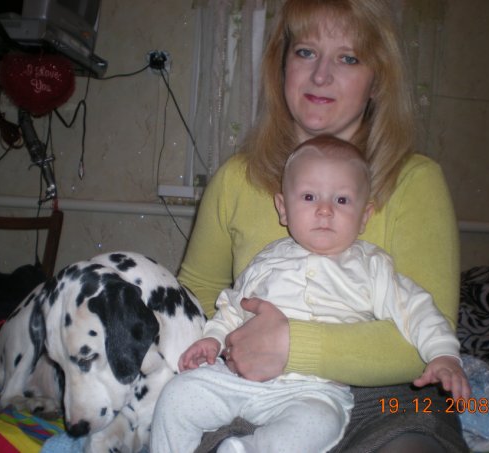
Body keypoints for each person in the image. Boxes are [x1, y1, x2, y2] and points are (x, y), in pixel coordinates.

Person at [157, 0, 469, 451]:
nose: (321, 75)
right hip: (247, 383)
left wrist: (290, 346)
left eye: (348, 58)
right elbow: (196, 297)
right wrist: (209, 345)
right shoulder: (236, 178)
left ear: (377, 80)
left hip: (388, 396)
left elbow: (425, 337)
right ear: (282, 65)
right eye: (305, 52)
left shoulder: (415, 181)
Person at [150, 136, 470, 453]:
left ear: (364, 216)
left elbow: (418, 310)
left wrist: (443, 354)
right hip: (239, 379)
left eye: (341, 200)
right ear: (283, 209)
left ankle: (246, 449)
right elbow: (234, 307)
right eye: (308, 196)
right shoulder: (266, 259)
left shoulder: (373, 267)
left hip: (314, 391)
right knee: (178, 396)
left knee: (317, 424)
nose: (325, 210)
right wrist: (213, 339)